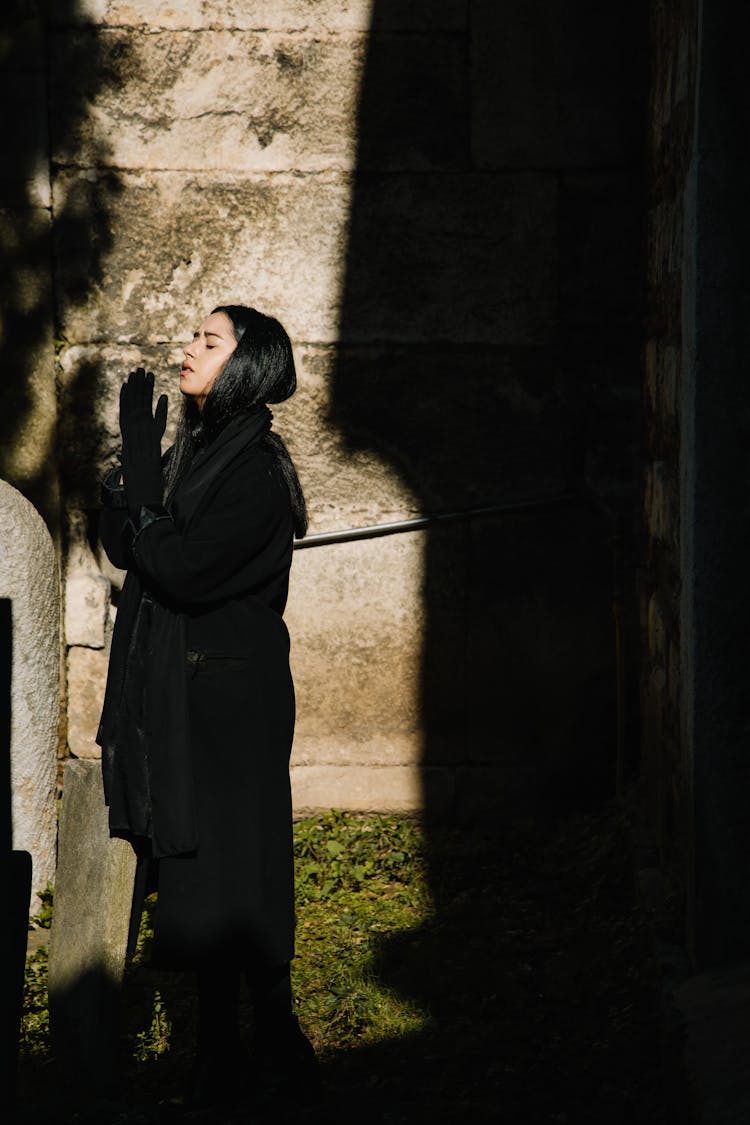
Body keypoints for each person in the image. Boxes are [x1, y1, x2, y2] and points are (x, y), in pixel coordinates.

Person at [97, 305, 319, 1113]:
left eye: (209, 341)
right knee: (198, 875)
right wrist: (137, 484)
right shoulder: (198, 454)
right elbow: (128, 545)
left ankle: (269, 1046)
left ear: (248, 365)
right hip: (186, 694)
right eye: (194, 337)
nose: (189, 349)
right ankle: (228, 1050)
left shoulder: (255, 470)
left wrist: (146, 504)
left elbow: (182, 567)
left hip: (231, 703)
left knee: (237, 872)